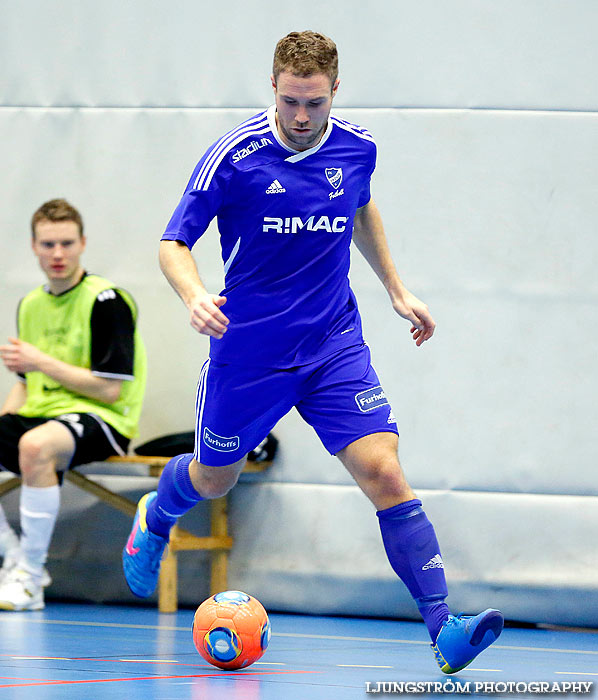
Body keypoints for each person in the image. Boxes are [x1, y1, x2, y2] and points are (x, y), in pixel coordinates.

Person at [123, 31, 503, 673]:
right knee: (216, 479)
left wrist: (396, 287)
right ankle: (158, 511)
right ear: (273, 87)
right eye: (292, 102)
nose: (302, 118)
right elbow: (173, 241)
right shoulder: (236, 156)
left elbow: (360, 208)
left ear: (335, 93)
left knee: (384, 471)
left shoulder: (358, 148)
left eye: (316, 104)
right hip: (246, 352)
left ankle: (445, 627)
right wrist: (193, 296)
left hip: (332, 344)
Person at [0, 198, 146, 610]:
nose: (58, 254)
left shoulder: (107, 301)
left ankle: (29, 579)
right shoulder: (31, 303)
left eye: (66, 243)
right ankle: (13, 557)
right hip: (42, 416)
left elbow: (110, 390)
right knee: (27, 438)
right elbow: (26, 384)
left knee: (35, 447)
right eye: (48, 245)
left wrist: (39, 361)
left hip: (104, 419)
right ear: (34, 247)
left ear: (83, 243)